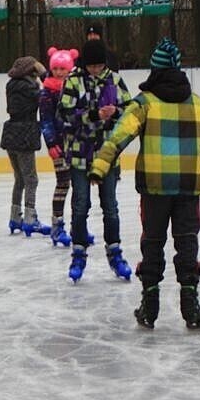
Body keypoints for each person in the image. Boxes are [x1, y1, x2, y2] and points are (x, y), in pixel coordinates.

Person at [89, 38, 200, 330]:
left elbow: (118, 137)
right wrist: (195, 173)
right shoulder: (198, 104)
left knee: (153, 243)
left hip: (155, 187)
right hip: (188, 187)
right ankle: (190, 305)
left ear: (154, 71)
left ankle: (150, 305)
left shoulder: (144, 104)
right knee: (187, 244)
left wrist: (99, 167)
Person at [58, 39, 132, 282]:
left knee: (110, 206)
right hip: (80, 153)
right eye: (92, 67)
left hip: (107, 153)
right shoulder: (73, 81)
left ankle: (115, 252)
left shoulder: (115, 80)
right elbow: (64, 115)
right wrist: (94, 114)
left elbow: (130, 111)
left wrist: (115, 114)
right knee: (80, 205)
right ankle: (78, 253)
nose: (96, 70)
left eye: (99, 66)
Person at [0, 56, 50, 237]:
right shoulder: (30, 88)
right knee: (31, 179)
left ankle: (15, 217)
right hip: (24, 134)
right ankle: (30, 218)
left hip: (10, 133)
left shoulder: (11, 86)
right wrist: (44, 74)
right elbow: (50, 91)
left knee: (19, 179)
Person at [39, 46, 78, 247]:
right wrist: (51, 142)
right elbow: (45, 120)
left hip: (77, 143)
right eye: (56, 69)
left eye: (63, 69)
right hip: (59, 145)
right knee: (63, 183)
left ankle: (78, 228)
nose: (60, 72)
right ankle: (57, 225)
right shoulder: (47, 92)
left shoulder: (75, 87)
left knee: (78, 185)